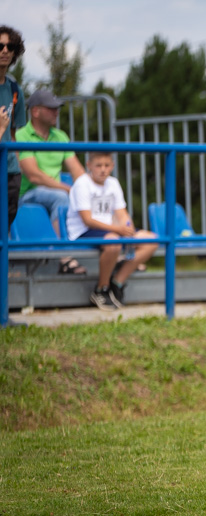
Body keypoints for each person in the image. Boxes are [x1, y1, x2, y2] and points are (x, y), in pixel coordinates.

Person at [67, 151, 157, 310]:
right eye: (98, 165)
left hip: (111, 229)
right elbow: (87, 220)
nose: (103, 169)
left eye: (107, 165)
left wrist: (127, 228)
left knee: (151, 240)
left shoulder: (113, 183)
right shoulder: (81, 184)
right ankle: (101, 289)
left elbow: (122, 214)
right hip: (84, 231)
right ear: (89, 166)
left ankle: (117, 283)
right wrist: (119, 229)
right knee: (113, 242)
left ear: (112, 166)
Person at [17, 88, 86, 275]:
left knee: (95, 194)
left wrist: (88, 189)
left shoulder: (60, 136)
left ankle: (117, 250)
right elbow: (33, 176)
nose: (56, 112)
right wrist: (67, 188)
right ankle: (64, 258)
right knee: (62, 197)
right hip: (28, 194)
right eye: (51, 108)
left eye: (57, 108)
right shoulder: (21, 135)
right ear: (35, 111)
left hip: (53, 191)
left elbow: (77, 170)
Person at [0, 26, 26, 230]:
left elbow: (16, 132)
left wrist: (17, 161)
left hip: (10, 168)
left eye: (10, 46)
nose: (5, 50)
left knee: (5, 226)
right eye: (0, 46)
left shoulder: (14, 88)